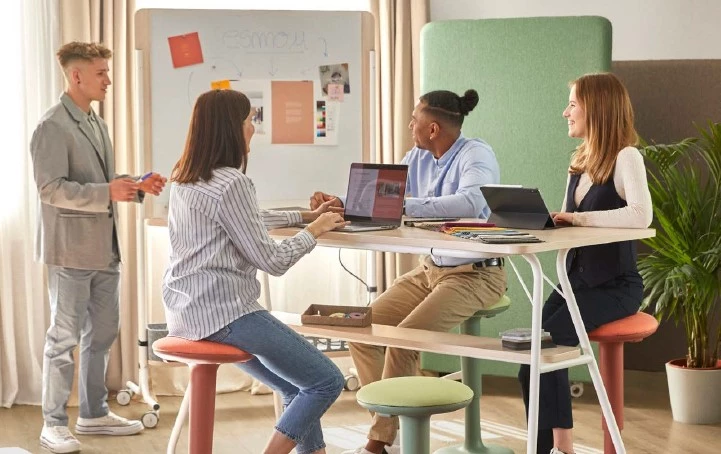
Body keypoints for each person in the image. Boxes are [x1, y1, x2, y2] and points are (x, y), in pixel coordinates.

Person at [310, 89, 507, 454]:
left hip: (476, 273)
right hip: (431, 271)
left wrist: (404, 204)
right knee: (362, 331)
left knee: (402, 340)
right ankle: (391, 429)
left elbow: (470, 202)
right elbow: (384, 196)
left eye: (414, 120)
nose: (409, 125)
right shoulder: (416, 156)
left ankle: (378, 442)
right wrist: (343, 203)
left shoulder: (476, 154)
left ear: (433, 128)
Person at [162, 89, 348, 454]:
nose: (253, 129)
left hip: (186, 313)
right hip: (227, 315)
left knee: (295, 388)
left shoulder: (186, 178)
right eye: (250, 121)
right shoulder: (233, 182)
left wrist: (305, 216)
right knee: (326, 381)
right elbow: (273, 262)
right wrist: (315, 231)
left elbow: (247, 220)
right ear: (232, 128)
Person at [30, 41, 167, 453]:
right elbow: (50, 189)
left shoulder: (96, 122)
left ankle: (91, 414)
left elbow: (99, 181)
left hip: (105, 249)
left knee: (103, 333)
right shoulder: (51, 126)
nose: (109, 79)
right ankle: (52, 423)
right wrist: (108, 190)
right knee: (63, 339)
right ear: (77, 76)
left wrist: (134, 186)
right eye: (102, 73)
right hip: (70, 252)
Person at [518, 73, 653, 454]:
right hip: (573, 283)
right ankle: (561, 445)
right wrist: (535, 224)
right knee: (530, 353)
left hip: (615, 287)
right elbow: (569, 223)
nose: (565, 112)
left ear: (596, 108)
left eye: (573, 104)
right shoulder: (577, 164)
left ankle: (548, 449)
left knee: (543, 350)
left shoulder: (627, 157)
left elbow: (641, 215)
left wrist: (576, 218)